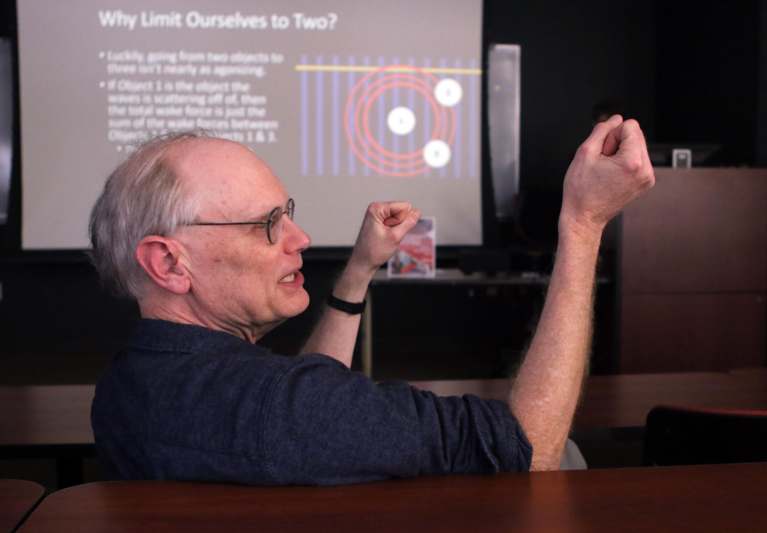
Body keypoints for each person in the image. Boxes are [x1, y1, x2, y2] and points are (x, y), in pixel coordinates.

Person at [90, 115, 654, 484]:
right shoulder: (277, 411)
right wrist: (583, 224)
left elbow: (309, 407)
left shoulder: (127, 386)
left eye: (286, 213)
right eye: (266, 224)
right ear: (168, 263)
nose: (299, 238)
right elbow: (527, 450)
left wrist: (359, 270)